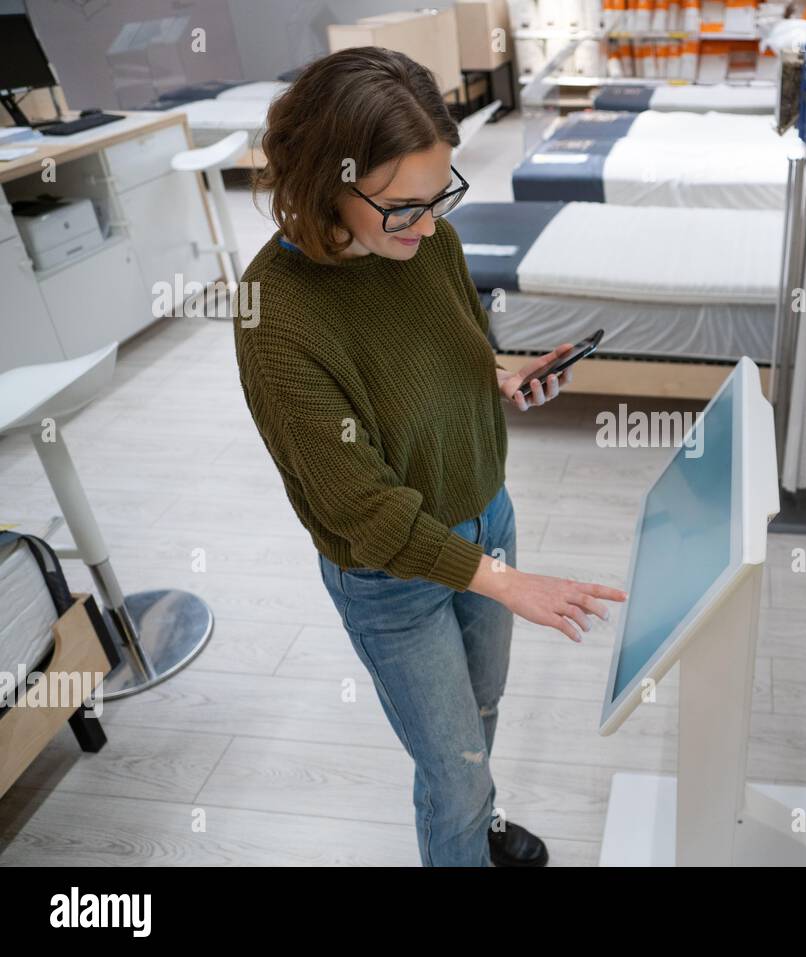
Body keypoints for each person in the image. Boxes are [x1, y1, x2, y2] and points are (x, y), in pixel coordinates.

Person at [232, 46, 627, 866]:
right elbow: (364, 510)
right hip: (391, 572)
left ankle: (480, 824)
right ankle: (465, 826)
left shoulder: (429, 244)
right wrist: (510, 583)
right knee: (449, 768)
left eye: (440, 194)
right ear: (321, 182)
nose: (430, 221)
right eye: (402, 205)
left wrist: (504, 376)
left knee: (479, 719)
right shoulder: (275, 315)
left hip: (489, 518)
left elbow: (456, 351)